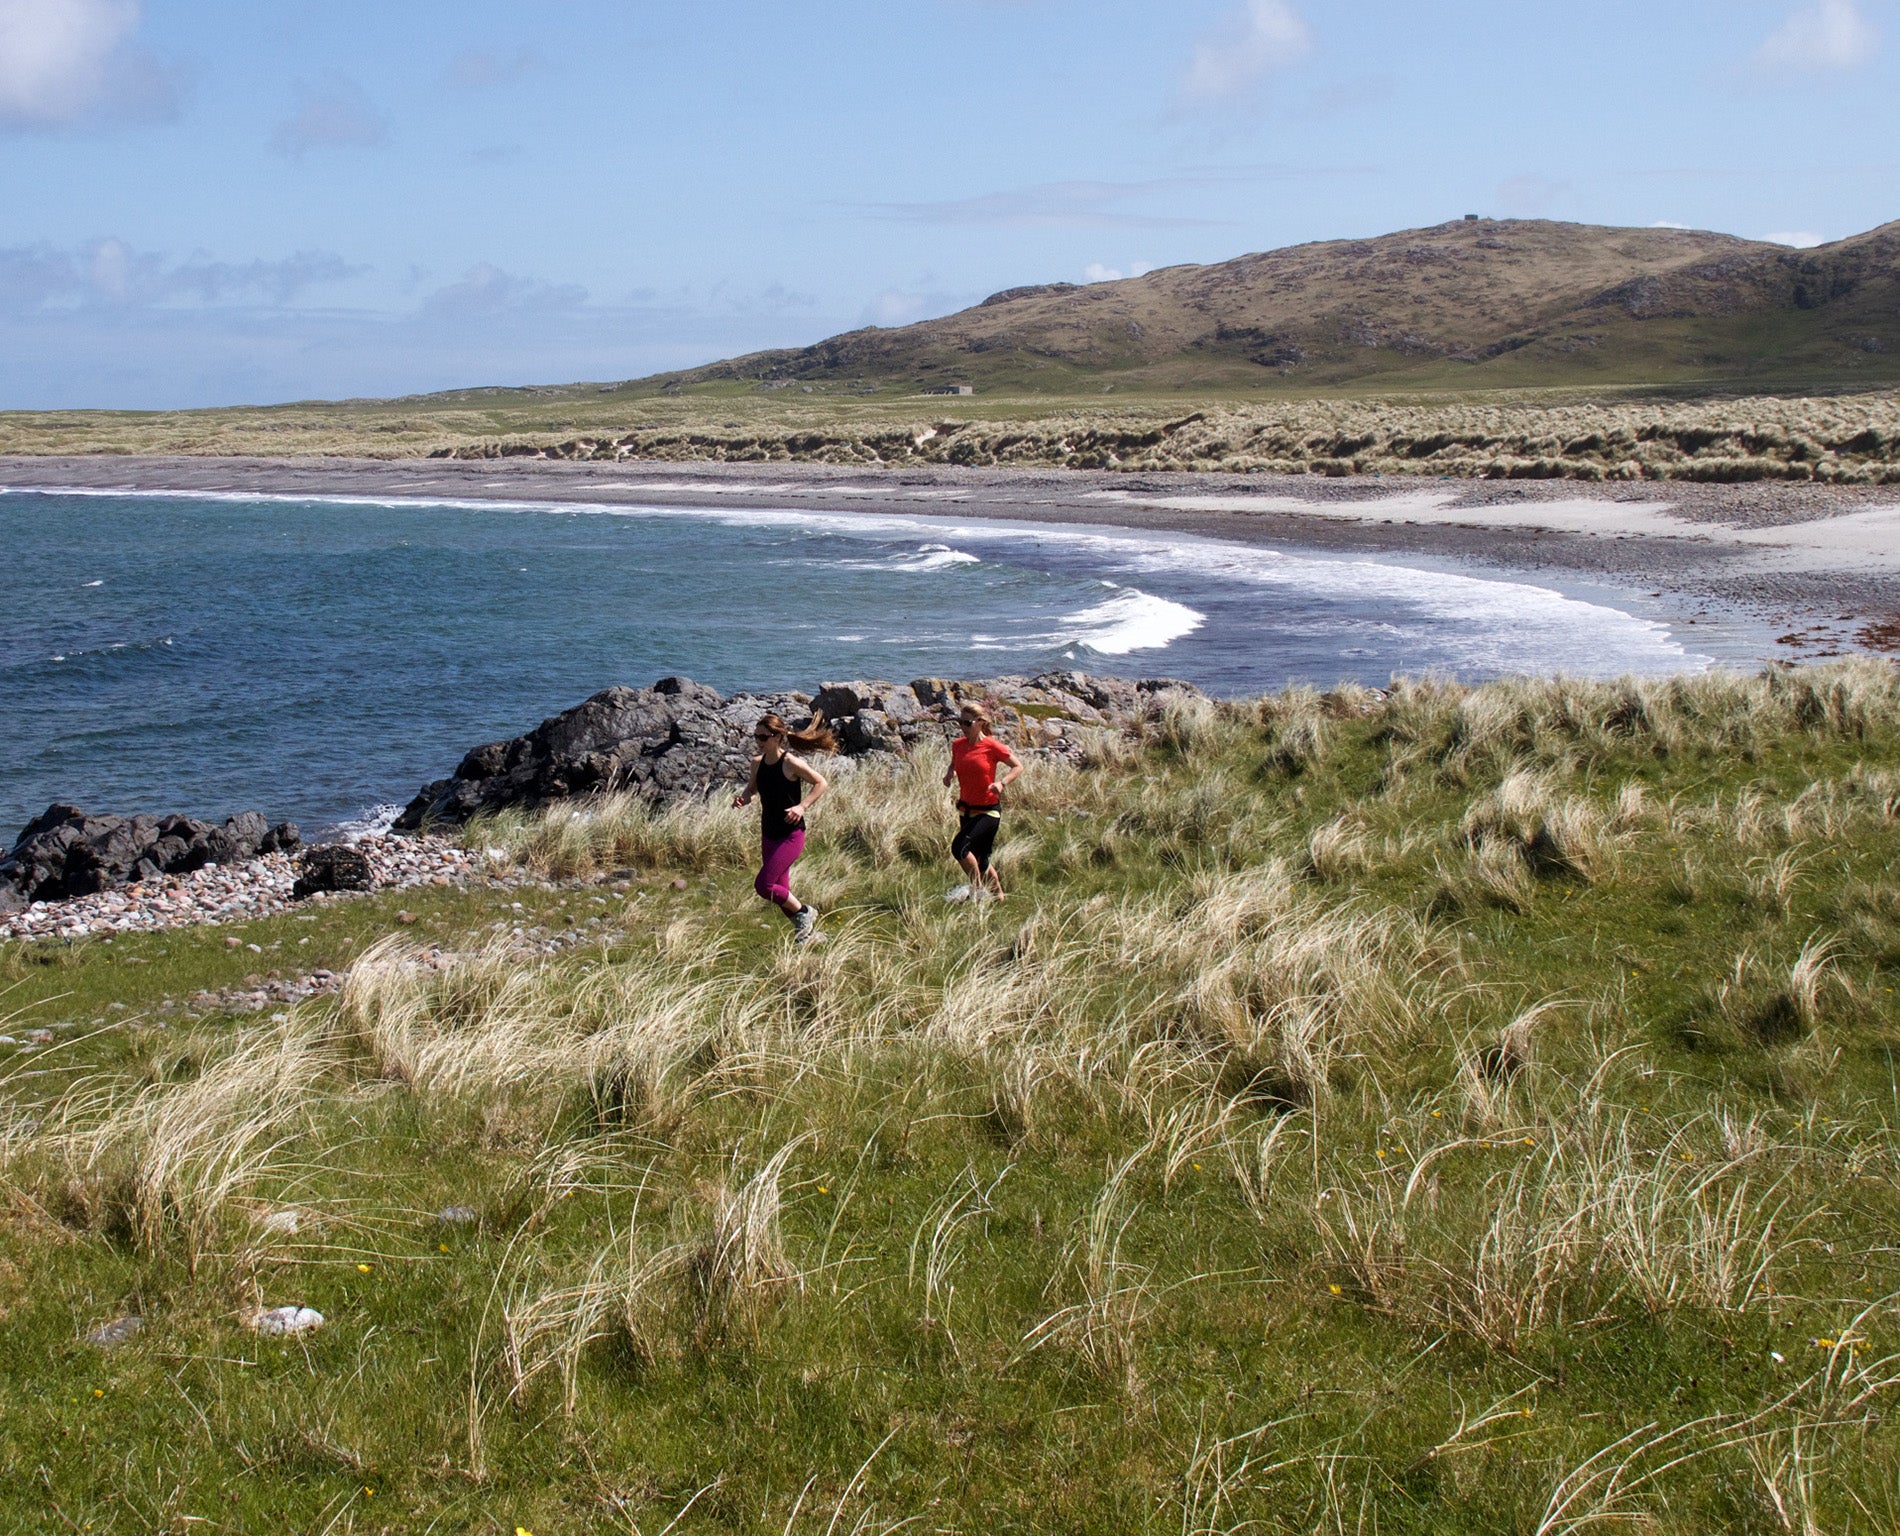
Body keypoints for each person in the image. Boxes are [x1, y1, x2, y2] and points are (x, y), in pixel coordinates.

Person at [733, 712, 835, 943]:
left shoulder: (791, 763)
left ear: (778, 737)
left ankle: (804, 913)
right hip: (768, 833)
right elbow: (751, 790)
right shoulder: (756, 763)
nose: (758, 741)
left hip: (791, 834)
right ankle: (806, 937)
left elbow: (821, 783)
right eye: (755, 736)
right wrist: (743, 798)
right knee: (780, 891)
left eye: (763, 736)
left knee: (764, 885)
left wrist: (802, 806)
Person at [943, 701, 1023, 900]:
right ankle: (999, 897)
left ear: (979, 723)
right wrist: (949, 773)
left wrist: (1002, 783)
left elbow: (1018, 766)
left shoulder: (991, 746)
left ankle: (976, 891)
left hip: (988, 811)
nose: (962, 727)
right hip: (966, 810)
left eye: (967, 723)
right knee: (981, 860)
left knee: (959, 848)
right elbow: (955, 762)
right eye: (960, 722)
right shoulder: (958, 745)